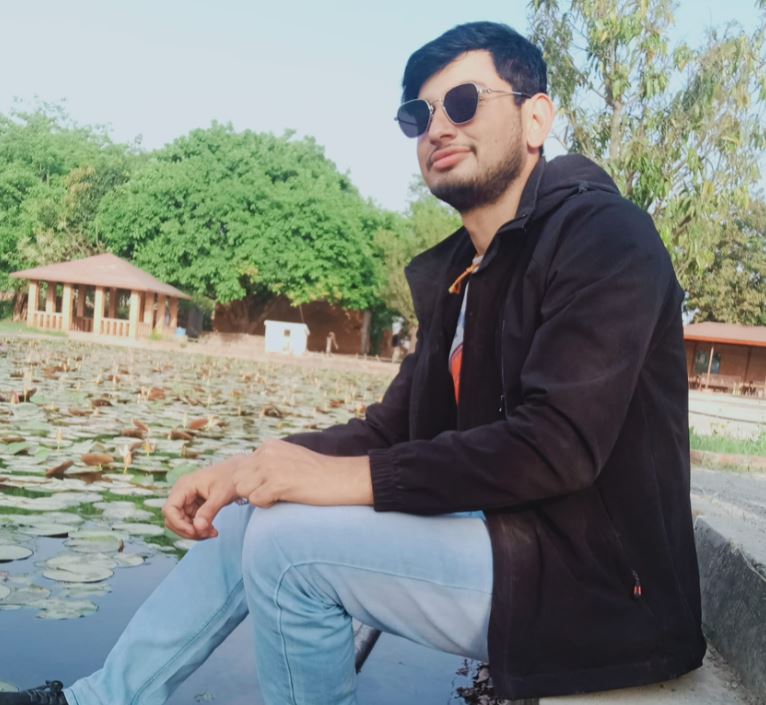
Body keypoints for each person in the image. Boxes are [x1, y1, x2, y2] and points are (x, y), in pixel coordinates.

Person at [3, 20, 705, 705]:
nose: (438, 128)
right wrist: (248, 468)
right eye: (418, 115)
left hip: (604, 588)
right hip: (507, 542)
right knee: (255, 509)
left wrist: (341, 479)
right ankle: (99, 697)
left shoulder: (606, 236)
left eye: (464, 102)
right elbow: (390, 428)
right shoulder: (468, 273)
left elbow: (557, 445)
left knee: (289, 549)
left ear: (536, 119)